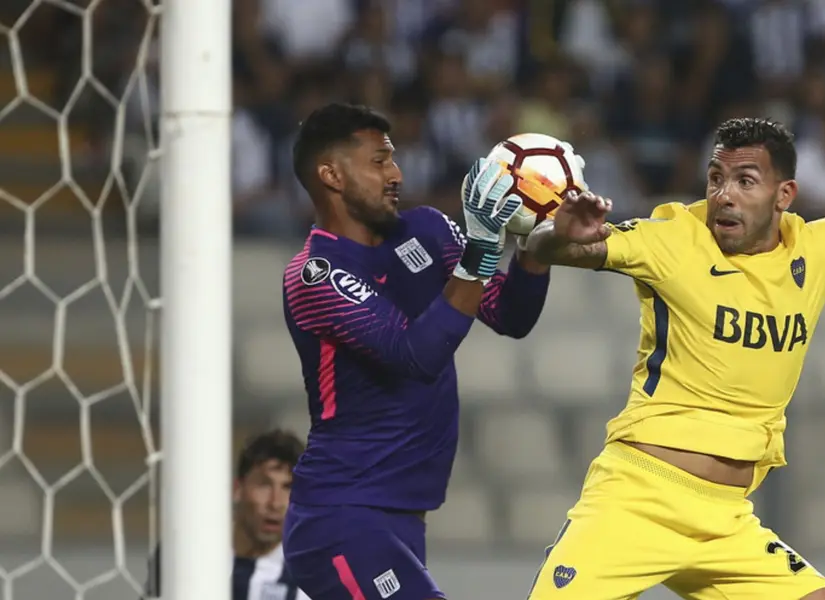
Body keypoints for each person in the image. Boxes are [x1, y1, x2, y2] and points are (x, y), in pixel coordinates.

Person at [520, 26, 825, 600]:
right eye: (716, 178)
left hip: (726, 520)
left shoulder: (819, 249)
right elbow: (557, 250)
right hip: (636, 499)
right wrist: (553, 234)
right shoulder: (672, 237)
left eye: (745, 181)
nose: (724, 195)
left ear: (783, 195)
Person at [279, 102, 549, 600]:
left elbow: (509, 316)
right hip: (342, 517)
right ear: (331, 175)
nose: (396, 174)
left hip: (398, 520)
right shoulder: (315, 274)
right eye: (379, 161)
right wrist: (483, 249)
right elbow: (415, 354)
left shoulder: (426, 229)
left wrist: (535, 246)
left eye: (394, 159)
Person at [143, 429, 309, 600]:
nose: (275, 503)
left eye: (288, 488)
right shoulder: (184, 554)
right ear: (238, 489)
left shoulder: (311, 578)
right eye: (264, 485)